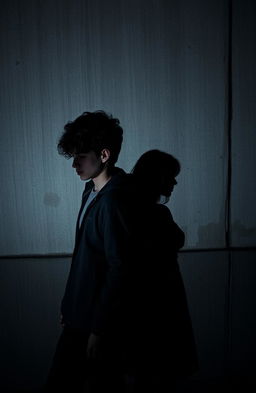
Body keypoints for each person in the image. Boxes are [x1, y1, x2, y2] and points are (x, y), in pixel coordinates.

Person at [45, 110, 138, 392]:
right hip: (81, 313)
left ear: (104, 155)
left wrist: (98, 328)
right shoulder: (91, 191)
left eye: (81, 156)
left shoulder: (114, 201)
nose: (74, 164)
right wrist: (70, 303)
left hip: (96, 320)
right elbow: (85, 257)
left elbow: (118, 268)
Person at [130, 149, 198, 393]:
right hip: (159, 306)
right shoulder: (154, 215)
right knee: (157, 376)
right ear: (156, 176)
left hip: (151, 306)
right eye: (170, 175)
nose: (175, 181)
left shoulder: (134, 210)